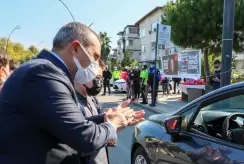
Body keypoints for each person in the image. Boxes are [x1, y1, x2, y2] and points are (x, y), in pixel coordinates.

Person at [0, 22, 145, 164]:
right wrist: (113, 124)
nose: (96, 65)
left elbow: (69, 124)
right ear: (75, 48)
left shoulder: (47, 71)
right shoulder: (44, 73)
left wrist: (105, 118)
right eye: (95, 56)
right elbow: (85, 138)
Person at [74, 59, 109, 164]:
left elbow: (103, 137)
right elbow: (83, 140)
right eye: (97, 77)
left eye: (101, 78)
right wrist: (109, 125)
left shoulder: (93, 99)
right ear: (83, 74)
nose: (99, 82)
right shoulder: (72, 104)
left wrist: (112, 123)